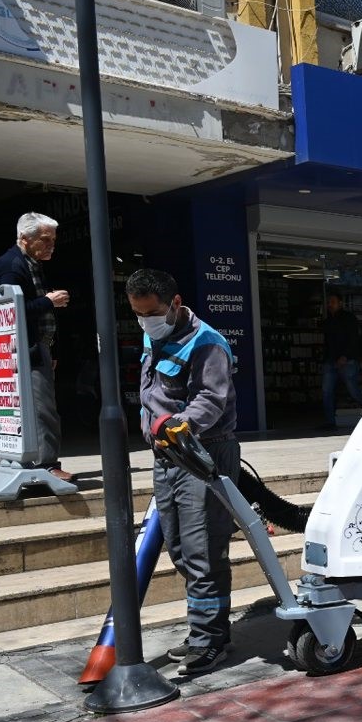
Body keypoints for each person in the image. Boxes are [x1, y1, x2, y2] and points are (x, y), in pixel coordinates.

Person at [131, 268, 239, 676]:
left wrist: (180, 425)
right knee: (178, 548)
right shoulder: (153, 336)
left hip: (203, 454)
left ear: (175, 304)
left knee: (204, 550)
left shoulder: (208, 343)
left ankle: (210, 640)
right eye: (139, 315)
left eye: (153, 313)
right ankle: (203, 631)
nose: (146, 322)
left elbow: (211, 398)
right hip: (167, 457)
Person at [0, 212, 72, 482]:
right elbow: (12, 311)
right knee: (42, 408)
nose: (51, 246)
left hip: (35, 350)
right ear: (25, 238)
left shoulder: (29, 263)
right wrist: (50, 301)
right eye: (45, 240)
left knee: (38, 407)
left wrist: (51, 350)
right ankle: (47, 464)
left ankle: (35, 462)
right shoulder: (12, 266)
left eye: (53, 240)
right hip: (23, 353)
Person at [320, 293, 362, 428]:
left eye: (333, 302)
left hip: (348, 360)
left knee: (353, 389)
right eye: (329, 302)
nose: (330, 305)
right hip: (331, 360)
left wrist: (346, 356)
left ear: (340, 303)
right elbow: (327, 342)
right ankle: (330, 422)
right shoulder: (328, 321)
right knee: (327, 391)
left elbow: (354, 339)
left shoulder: (349, 318)